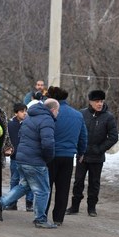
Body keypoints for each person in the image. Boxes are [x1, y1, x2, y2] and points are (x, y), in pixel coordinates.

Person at [0, 99, 60, 229]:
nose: (58, 113)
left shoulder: (30, 117)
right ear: (53, 110)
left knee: (24, 186)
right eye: (58, 110)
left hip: (22, 158)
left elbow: (20, 136)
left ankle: (1, 204)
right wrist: (48, 158)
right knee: (43, 191)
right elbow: (48, 143)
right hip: (35, 161)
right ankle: (40, 219)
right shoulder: (47, 120)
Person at [67, 90, 119, 217]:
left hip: (97, 156)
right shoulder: (82, 114)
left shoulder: (108, 117)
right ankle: (75, 206)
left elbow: (113, 137)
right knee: (78, 181)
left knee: (94, 183)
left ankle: (92, 208)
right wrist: (78, 148)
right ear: (90, 102)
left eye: (101, 101)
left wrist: (100, 149)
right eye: (97, 101)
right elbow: (75, 132)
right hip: (82, 156)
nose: (99, 104)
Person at [44, 86, 87, 226]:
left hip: (50, 155)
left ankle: (42, 215)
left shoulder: (49, 112)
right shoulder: (77, 115)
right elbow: (83, 136)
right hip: (68, 157)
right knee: (63, 188)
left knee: (46, 187)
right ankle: (58, 218)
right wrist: (81, 152)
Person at [4, 103, 32, 211]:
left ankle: (29, 203)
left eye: (25, 111)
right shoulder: (10, 125)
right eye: (22, 111)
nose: (24, 113)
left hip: (27, 158)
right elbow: (8, 139)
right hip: (15, 157)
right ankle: (12, 202)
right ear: (16, 113)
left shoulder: (29, 124)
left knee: (29, 180)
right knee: (14, 180)